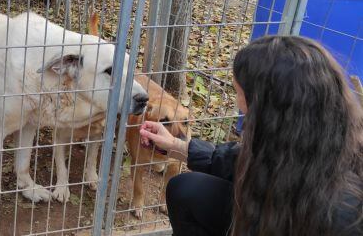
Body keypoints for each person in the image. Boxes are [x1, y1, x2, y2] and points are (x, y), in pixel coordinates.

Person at [139, 36, 363, 236]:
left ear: (269, 106)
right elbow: (241, 160)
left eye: (238, 92)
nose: (238, 104)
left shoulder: (343, 212)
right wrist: (178, 146)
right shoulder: (306, 137)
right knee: (187, 189)